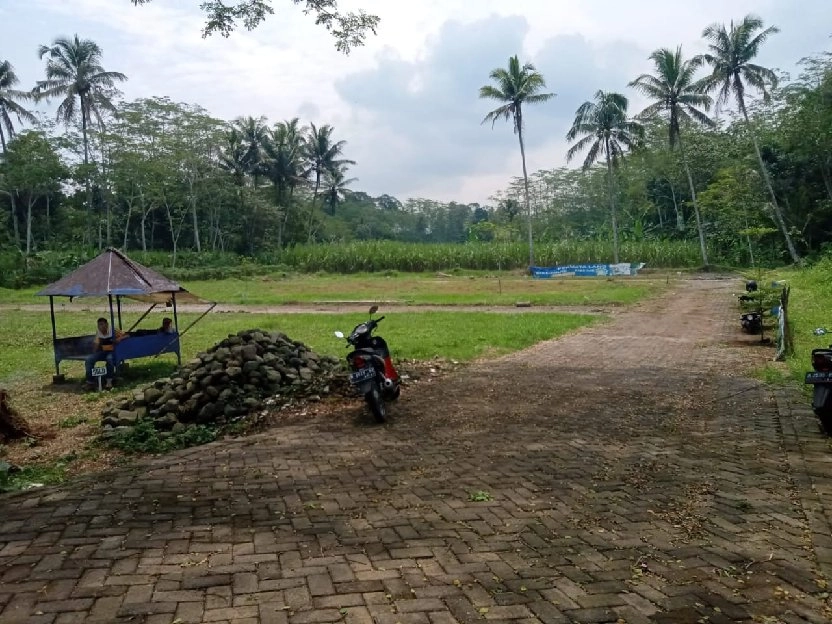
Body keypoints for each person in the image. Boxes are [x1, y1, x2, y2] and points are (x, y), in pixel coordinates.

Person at [85, 317, 127, 389]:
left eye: (102, 324)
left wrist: (118, 339)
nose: (100, 327)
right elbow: (96, 343)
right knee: (89, 359)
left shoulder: (113, 330)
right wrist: (93, 353)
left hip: (113, 351)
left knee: (109, 359)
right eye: (99, 325)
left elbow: (127, 335)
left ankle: (109, 381)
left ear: (107, 324)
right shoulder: (98, 332)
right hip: (103, 351)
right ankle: (90, 382)